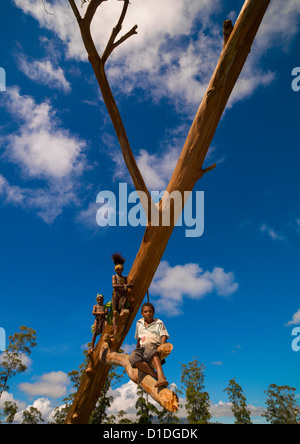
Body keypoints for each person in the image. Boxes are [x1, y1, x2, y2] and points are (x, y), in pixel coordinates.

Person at [129, 302, 169, 388]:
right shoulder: (139, 323)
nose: (148, 313)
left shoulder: (159, 322)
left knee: (150, 348)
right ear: (142, 313)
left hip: (154, 345)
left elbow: (164, 335)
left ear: (153, 312)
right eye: (145, 311)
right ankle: (155, 375)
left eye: (150, 311)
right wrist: (137, 349)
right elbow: (138, 338)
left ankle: (161, 376)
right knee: (132, 357)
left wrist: (162, 346)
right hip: (142, 347)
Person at [111, 253, 133, 337]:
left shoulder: (124, 278)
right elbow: (114, 286)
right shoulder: (114, 276)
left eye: (120, 269)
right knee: (115, 311)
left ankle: (121, 327)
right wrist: (126, 286)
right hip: (116, 294)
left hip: (123, 295)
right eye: (117, 269)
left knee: (123, 308)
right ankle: (115, 330)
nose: (119, 270)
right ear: (115, 270)